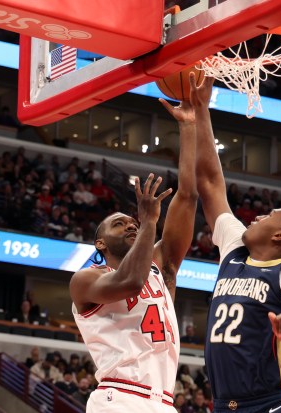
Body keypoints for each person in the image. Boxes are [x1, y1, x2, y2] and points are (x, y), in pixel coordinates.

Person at [190, 76, 281, 413]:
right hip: (226, 406)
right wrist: (201, 110)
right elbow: (210, 183)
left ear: (280, 235)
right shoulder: (234, 249)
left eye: (269, 215)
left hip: (276, 404)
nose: (257, 217)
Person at [69, 94, 198, 413]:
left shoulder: (162, 269)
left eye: (132, 222)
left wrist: (189, 127)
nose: (130, 225)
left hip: (165, 402)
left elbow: (189, 197)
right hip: (120, 398)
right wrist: (149, 222)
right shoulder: (86, 281)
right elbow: (130, 282)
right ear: (100, 243)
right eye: (118, 224)